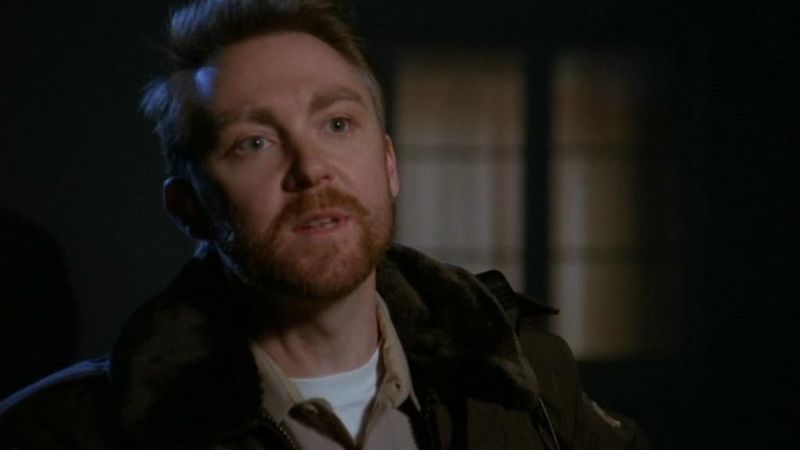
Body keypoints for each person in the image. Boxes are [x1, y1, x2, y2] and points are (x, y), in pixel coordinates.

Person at [0, 1, 650, 448]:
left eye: (337, 124)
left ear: (388, 164)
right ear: (188, 206)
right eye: (254, 143)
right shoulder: (69, 432)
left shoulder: (525, 379)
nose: (311, 169)